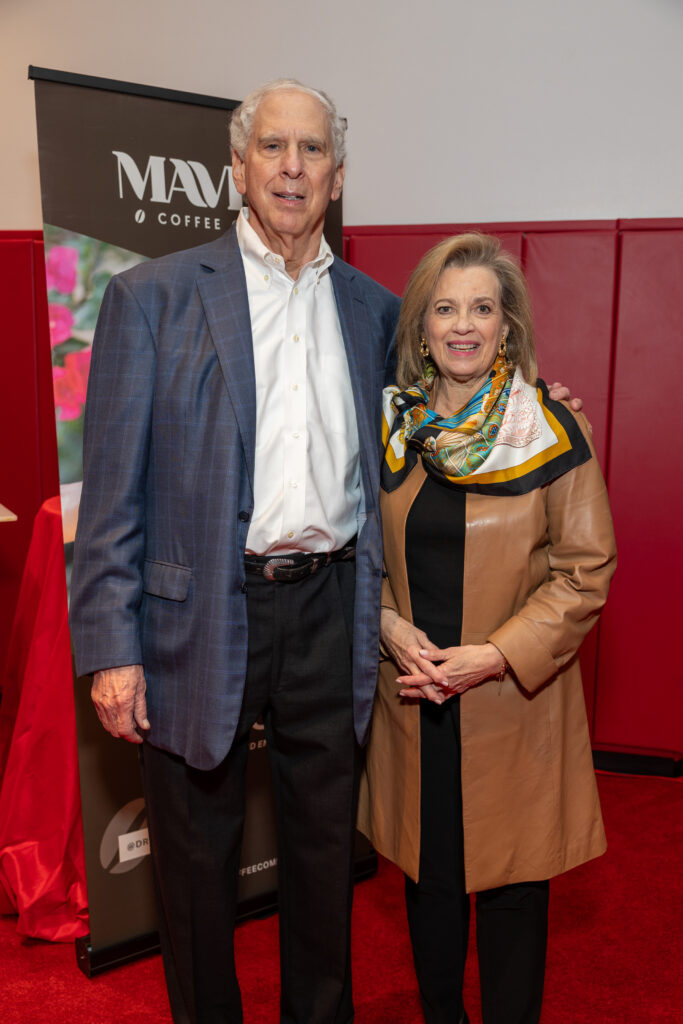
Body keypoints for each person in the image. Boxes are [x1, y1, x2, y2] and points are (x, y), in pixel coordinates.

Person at [69, 79, 401, 1024]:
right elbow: (111, 496)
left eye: (311, 152)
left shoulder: (374, 312)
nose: (291, 167)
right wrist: (111, 650)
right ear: (236, 166)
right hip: (199, 613)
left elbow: (437, 422)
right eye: (271, 148)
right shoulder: (153, 297)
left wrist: (540, 415)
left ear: (335, 177)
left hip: (331, 609)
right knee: (195, 858)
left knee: (322, 849)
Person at [357, 232, 616, 1024]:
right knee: (428, 886)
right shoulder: (389, 430)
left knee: (510, 891)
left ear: (506, 326)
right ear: (421, 329)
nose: (462, 325)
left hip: (511, 704)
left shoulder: (548, 428)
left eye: (481, 308)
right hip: (415, 697)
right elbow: (352, 554)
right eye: (443, 308)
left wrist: (495, 655)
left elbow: (584, 570)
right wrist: (387, 626)